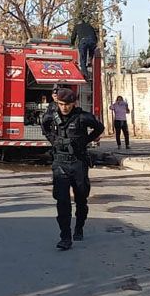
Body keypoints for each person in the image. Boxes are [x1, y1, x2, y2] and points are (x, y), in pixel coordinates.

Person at [42, 87, 104, 250]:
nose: (64, 107)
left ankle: (79, 227)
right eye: (61, 104)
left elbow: (99, 127)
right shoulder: (52, 116)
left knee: (81, 199)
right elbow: (44, 126)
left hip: (78, 163)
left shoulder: (82, 117)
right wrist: (53, 140)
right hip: (60, 163)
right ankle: (65, 237)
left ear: (73, 103)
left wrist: (86, 141)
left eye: (68, 104)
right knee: (62, 202)